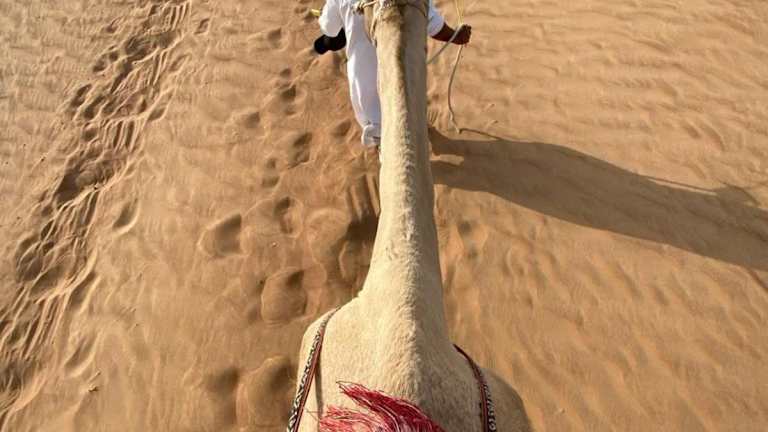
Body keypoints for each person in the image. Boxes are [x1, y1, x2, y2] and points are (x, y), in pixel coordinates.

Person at [314, 0, 471, 148]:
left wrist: (331, 29)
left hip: (368, 96)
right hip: (404, 82)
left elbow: (331, 31)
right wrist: (457, 36)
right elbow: (435, 26)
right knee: (410, 114)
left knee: (381, 132)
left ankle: (383, 145)